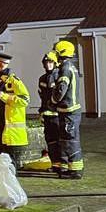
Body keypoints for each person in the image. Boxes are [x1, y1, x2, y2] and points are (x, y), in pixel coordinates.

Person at [51, 40, 85, 178]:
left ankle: (76, 171)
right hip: (70, 111)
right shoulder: (71, 67)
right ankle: (67, 168)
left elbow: (60, 90)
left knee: (71, 141)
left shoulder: (65, 69)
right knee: (67, 140)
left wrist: (52, 101)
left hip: (69, 111)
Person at [37, 51, 63, 173]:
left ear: (55, 63)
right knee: (50, 141)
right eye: (46, 63)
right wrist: (41, 113)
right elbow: (42, 98)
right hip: (47, 115)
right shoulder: (42, 79)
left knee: (60, 140)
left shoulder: (59, 77)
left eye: (50, 62)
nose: (48, 65)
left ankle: (64, 164)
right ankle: (55, 165)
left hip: (58, 115)